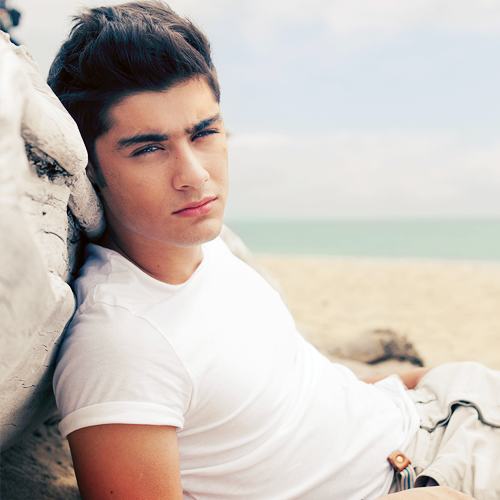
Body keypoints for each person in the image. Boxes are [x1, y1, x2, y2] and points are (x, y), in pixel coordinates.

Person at [49, 2, 499, 499]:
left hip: (439, 411)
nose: (194, 175)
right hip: (420, 478)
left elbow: (295, 395)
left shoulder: (209, 249)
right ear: (90, 169)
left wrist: (429, 383)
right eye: (149, 148)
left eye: (204, 133)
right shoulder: (121, 345)